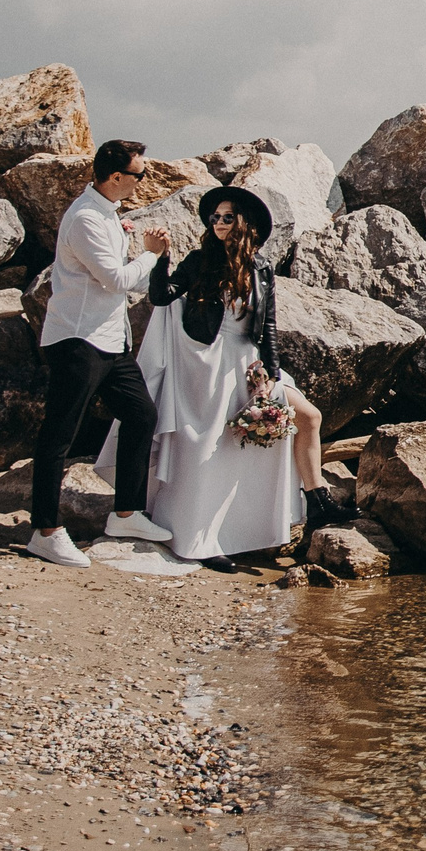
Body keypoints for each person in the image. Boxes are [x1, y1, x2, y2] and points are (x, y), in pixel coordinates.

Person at [107, 183, 345, 570]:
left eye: (227, 217)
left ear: (244, 223)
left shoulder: (262, 267)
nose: (218, 222)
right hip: (208, 363)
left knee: (307, 416)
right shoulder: (201, 260)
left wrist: (270, 373)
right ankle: (200, 540)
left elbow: (267, 324)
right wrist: (161, 258)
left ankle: (317, 503)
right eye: (214, 217)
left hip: (249, 363)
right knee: (210, 452)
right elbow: (163, 296)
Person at [28, 139, 176, 567]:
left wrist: (130, 240)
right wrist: (150, 255)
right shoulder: (86, 217)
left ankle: (126, 513)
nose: (142, 182)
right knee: (59, 434)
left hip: (111, 340)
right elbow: (116, 280)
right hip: (77, 340)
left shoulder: (107, 215)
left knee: (141, 415)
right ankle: (45, 530)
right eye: (140, 175)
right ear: (116, 177)